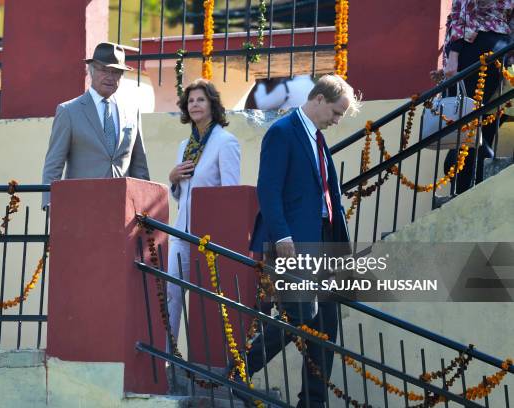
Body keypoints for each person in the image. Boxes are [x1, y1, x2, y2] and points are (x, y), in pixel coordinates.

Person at [243, 74, 359, 408]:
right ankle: (239, 372)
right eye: (336, 112)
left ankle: (313, 401)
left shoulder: (317, 138)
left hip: (324, 244)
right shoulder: (282, 132)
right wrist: (282, 235)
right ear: (319, 98)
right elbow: (269, 188)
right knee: (299, 319)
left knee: (326, 325)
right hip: (293, 243)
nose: (337, 121)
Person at [166, 79, 240, 351]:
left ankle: (211, 362)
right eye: (191, 100)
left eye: (201, 99)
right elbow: (180, 195)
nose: (194, 104)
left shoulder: (225, 142)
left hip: (208, 237)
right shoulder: (185, 144)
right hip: (180, 232)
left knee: (207, 303)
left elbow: (230, 192)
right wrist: (172, 179)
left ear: (212, 105)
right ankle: (166, 358)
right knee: (171, 294)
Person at [42, 42, 150, 207]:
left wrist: (143, 206)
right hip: (82, 205)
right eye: (104, 70)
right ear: (91, 70)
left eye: (116, 72)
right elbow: (54, 163)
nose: (110, 76)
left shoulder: (132, 111)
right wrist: (50, 203)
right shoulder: (69, 111)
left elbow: (139, 165)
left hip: (123, 206)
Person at [436, 0, 512, 194]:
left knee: (466, 123)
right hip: (500, 48)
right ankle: (474, 182)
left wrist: (452, 58)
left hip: (473, 47)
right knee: (479, 121)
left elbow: (460, 14)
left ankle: (464, 184)